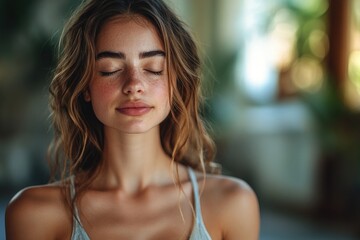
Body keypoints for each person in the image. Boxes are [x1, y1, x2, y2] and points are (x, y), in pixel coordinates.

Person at [5, 0, 260, 239]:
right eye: (110, 70)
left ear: (176, 82)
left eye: (153, 69)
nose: (134, 85)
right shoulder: (34, 215)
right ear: (84, 86)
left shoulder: (233, 203)